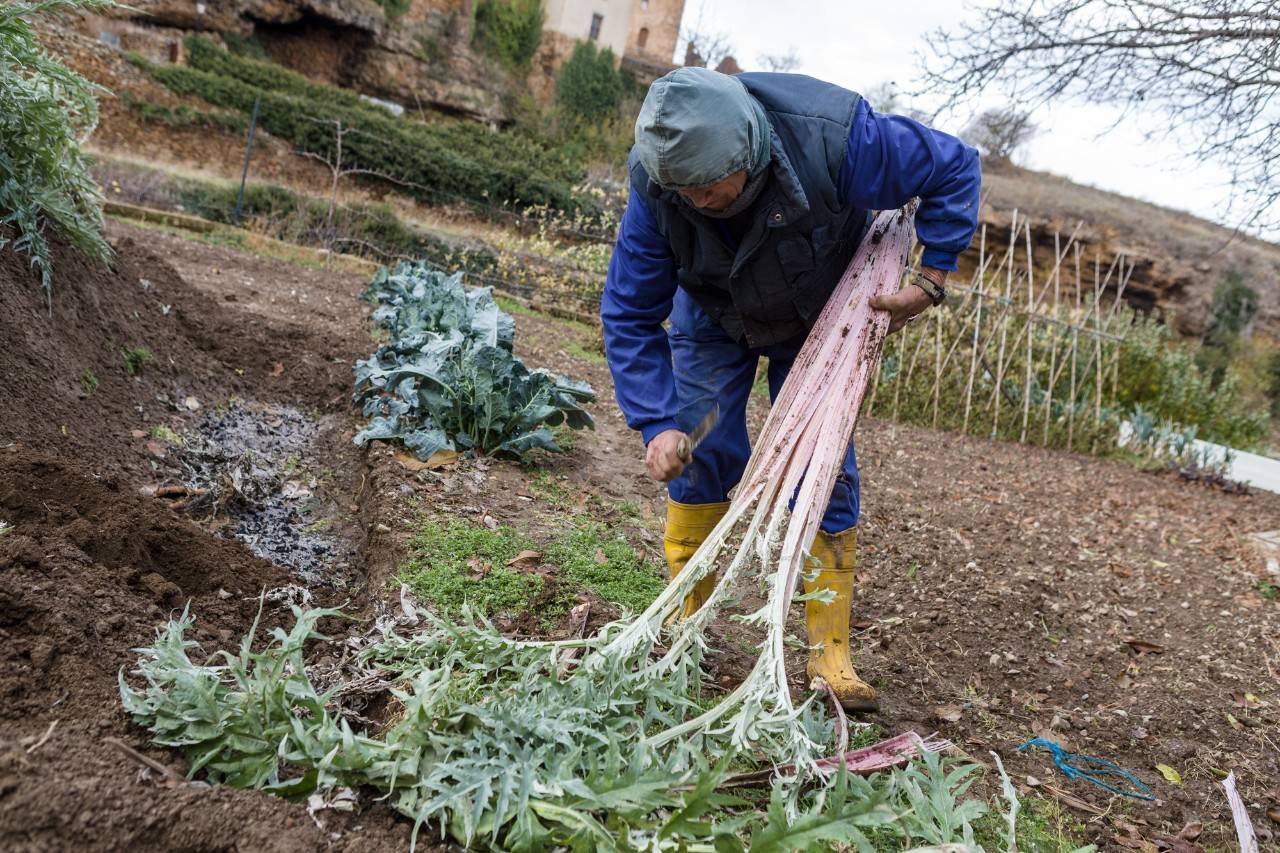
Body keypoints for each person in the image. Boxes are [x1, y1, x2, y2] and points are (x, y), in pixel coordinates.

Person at [601, 67, 980, 712]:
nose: (694, 202)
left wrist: (934, 276)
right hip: (715, 314)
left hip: (819, 313)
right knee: (701, 443)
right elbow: (630, 312)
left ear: (746, 154)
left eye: (708, 191)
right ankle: (684, 625)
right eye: (680, 192)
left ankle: (828, 652)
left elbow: (954, 167)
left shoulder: (838, 141)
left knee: (823, 467)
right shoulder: (659, 185)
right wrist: (656, 421)